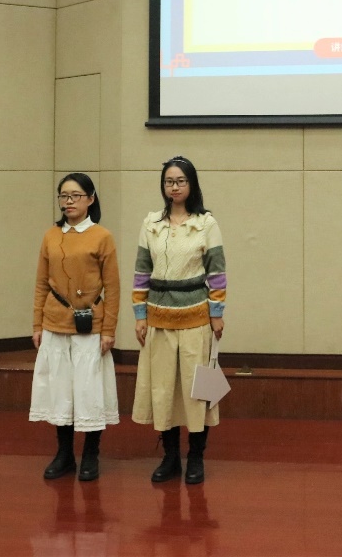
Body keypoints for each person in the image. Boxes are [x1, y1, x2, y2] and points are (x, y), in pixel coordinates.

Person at [132, 156, 226, 484]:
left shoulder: (206, 224)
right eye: (169, 181)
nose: (174, 187)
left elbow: (217, 273)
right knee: (164, 390)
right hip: (159, 320)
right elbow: (141, 272)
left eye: (180, 181)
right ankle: (170, 457)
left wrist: (216, 313)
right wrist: (140, 315)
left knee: (198, 391)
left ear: (191, 184)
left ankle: (196, 457)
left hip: (196, 320)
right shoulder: (151, 224)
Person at [29, 172, 120, 481]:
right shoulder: (50, 236)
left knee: (88, 392)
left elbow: (113, 288)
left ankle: (91, 454)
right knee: (61, 392)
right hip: (54, 324)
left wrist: (109, 329)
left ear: (90, 199)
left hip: (90, 327)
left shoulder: (102, 236)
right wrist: (37, 323)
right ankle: (64, 454)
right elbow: (41, 283)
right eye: (63, 196)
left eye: (75, 196)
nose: (68, 202)